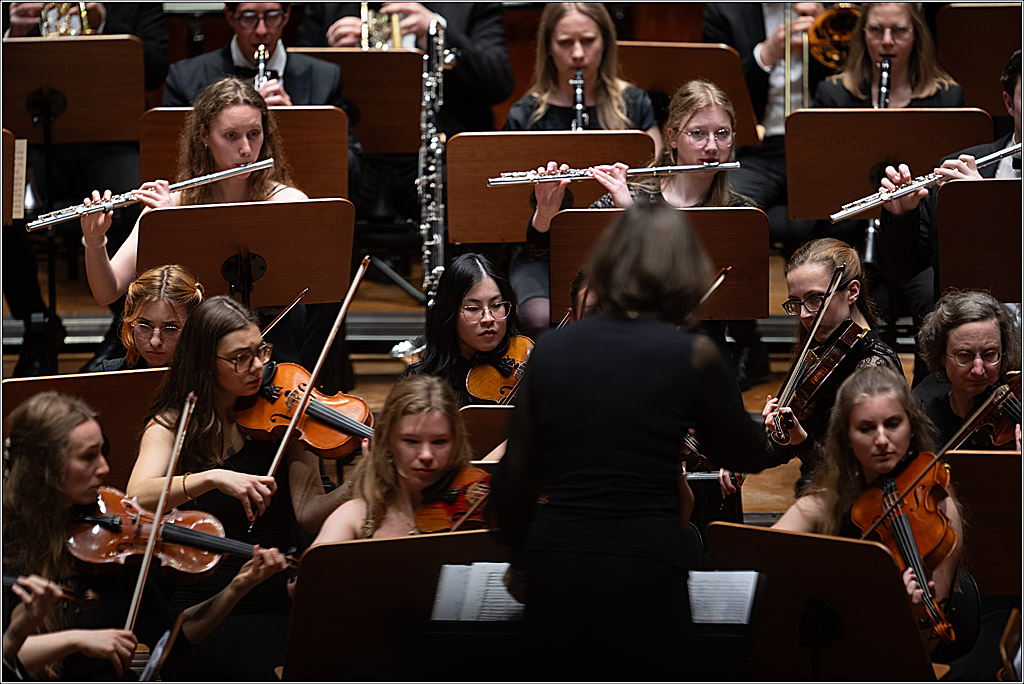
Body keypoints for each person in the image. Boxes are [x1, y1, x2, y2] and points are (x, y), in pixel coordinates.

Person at [487, 200, 768, 681]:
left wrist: (520, 558)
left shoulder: (553, 350)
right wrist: (778, 434)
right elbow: (741, 451)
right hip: (646, 565)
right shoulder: (692, 353)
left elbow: (515, 478)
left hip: (559, 561)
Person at [125, 295, 351, 680]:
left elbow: (309, 512)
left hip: (279, 592)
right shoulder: (172, 422)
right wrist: (213, 477)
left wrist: (363, 481)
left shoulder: (286, 417)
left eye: (260, 350)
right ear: (203, 361)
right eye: (240, 358)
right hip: (207, 600)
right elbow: (137, 497)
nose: (259, 367)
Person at [2, 391, 288, 681]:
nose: (104, 467)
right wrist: (76, 640)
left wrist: (237, 587)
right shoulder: (8, 544)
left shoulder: (111, 541)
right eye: (88, 457)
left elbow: (171, 636)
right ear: (43, 466)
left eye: (103, 452)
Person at [2, 3, 169, 376]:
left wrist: (104, 23)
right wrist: (11, 38)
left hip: (112, 142)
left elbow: (156, 65)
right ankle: (36, 321)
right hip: (35, 142)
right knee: (5, 209)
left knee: (130, 199)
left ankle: (123, 324)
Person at [772, 366, 963, 615]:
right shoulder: (824, 503)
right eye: (866, 428)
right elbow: (763, 557)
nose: (882, 439)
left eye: (893, 424)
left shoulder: (939, 506)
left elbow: (934, 613)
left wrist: (914, 610)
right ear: (847, 438)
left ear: (912, 427)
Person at [722, 237, 904, 498]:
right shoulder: (821, 348)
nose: (805, 314)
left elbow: (858, 475)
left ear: (852, 292)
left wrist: (801, 440)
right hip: (817, 487)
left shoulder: (873, 367)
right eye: (795, 303)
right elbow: (782, 448)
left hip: (862, 500)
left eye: (815, 299)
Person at [877, 49, 1022, 314]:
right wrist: (902, 216)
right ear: (1009, 103)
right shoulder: (959, 167)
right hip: (961, 345)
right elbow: (899, 269)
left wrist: (988, 203)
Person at [162, 2, 362, 192]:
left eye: (272, 16)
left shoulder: (324, 78)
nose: (261, 30)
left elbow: (352, 169)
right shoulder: (186, 78)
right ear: (230, 17)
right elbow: (171, 162)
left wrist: (295, 125)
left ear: (287, 16)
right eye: (249, 17)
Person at [702, 2, 826, 250]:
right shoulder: (724, 10)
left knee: (844, 215)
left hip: (823, 147)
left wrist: (825, 30)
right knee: (729, 211)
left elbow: (855, 81)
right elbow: (714, 96)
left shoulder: (833, 8)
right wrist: (764, 55)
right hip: (757, 150)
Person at [312, 375, 476, 542]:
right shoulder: (354, 517)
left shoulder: (476, 510)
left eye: (439, 442)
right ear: (388, 441)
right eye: (411, 441)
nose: (426, 454)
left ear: (455, 443)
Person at [400, 252, 522, 408]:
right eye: (473, 308)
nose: (488, 318)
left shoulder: (527, 359)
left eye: (496, 305)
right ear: (450, 314)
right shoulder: (423, 387)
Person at [915, 289, 1022, 450]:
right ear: (942, 357)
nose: (978, 370)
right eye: (964, 355)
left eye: (990, 354)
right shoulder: (922, 419)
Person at [94, 264, 204, 372]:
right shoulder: (106, 375)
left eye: (170, 328)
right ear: (130, 322)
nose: (155, 342)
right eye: (144, 325)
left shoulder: (211, 381)